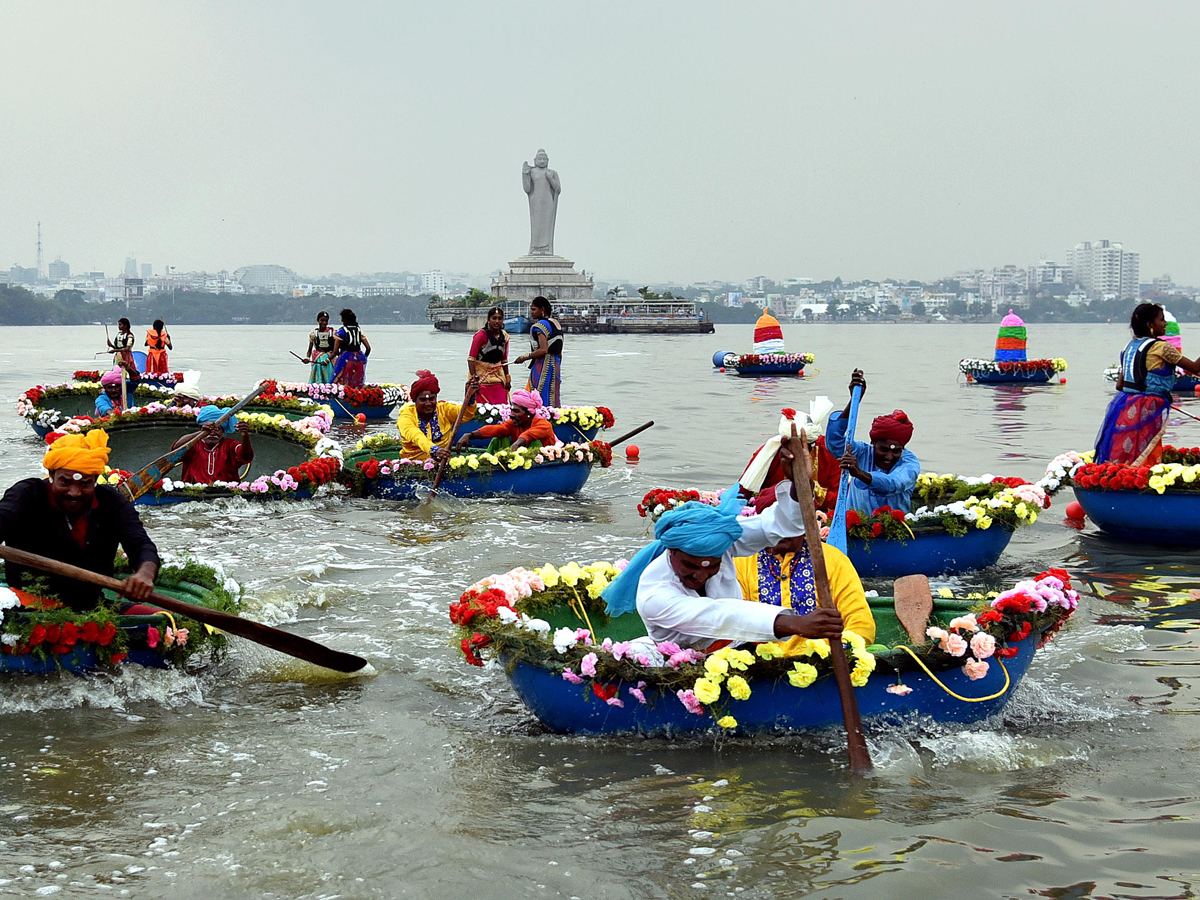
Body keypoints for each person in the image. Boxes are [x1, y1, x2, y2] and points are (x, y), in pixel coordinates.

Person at [601, 434, 845, 651]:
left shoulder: (721, 542)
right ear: (672, 552)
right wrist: (798, 623)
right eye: (691, 565)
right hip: (677, 668)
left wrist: (797, 484)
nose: (701, 575)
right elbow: (719, 616)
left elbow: (777, 527)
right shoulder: (655, 592)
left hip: (737, 652)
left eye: (712, 565)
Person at [0, 430, 159, 610]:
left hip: (91, 607)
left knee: (166, 622)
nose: (74, 493)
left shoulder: (111, 501)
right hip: (28, 607)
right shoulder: (26, 494)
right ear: (51, 475)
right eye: (65, 482)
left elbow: (141, 545)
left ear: (96, 480)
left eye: (84, 484)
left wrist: (145, 574)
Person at [1096, 302, 1200, 465]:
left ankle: (1122, 478)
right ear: (1150, 325)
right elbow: (1195, 368)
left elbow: (1120, 385)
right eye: (1161, 320)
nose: (1165, 324)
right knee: (1148, 451)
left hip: (1124, 405)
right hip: (1149, 406)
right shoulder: (1163, 347)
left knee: (1129, 451)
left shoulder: (1128, 347)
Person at [734, 535, 875, 654]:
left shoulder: (831, 559)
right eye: (773, 523)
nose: (779, 531)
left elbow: (860, 622)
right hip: (761, 669)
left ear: (802, 524)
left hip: (825, 664)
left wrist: (840, 650)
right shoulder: (742, 561)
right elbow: (736, 622)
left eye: (787, 522)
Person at [825, 369, 920, 514]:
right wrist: (854, 401)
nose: (889, 456)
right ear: (873, 443)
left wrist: (859, 473)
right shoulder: (862, 452)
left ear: (903, 448)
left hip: (894, 530)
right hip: (855, 528)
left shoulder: (910, 463)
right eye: (884, 449)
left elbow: (892, 483)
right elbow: (834, 441)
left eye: (896, 451)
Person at [740, 401, 840, 514]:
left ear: (813, 444)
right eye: (791, 446)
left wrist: (811, 487)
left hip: (816, 517)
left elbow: (839, 500)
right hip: (773, 517)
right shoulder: (768, 453)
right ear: (783, 443)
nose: (797, 452)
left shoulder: (829, 451)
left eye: (803, 447)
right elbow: (742, 493)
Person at [397, 370, 480, 462]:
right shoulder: (406, 416)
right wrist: (434, 450)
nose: (428, 404)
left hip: (443, 462)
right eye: (422, 400)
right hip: (413, 464)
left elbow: (465, 415)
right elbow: (416, 436)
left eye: (432, 399)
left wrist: (469, 398)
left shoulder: (444, 410)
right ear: (415, 401)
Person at [453, 389, 559, 453]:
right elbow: (496, 429)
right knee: (498, 438)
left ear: (529, 413)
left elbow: (529, 435)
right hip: (519, 459)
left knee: (535, 442)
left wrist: (517, 444)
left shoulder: (544, 425)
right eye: (512, 410)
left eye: (516, 411)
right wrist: (470, 435)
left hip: (542, 459)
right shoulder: (514, 423)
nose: (512, 415)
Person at [171, 406, 254, 484]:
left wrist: (245, 436)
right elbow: (175, 450)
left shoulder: (230, 444)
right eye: (209, 430)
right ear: (201, 428)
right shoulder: (193, 444)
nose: (213, 433)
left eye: (218, 429)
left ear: (223, 431)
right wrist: (201, 433)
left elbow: (245, 456)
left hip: (225, 495)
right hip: (192, 493)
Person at [514, 296, 563, 407]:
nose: (531, 312)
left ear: (542, 310)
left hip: (542, 364)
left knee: (538, 392)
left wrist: (524, 357)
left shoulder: (539, 326)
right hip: (555, 363)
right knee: (553, 392)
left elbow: (543, 349)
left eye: (534, 309)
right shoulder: (556, 323)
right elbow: (559, 351)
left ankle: (539, 416)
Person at [467, 306, 511, 405]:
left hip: (497, 375)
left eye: (500, 318)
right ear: (488, 320)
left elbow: (504, 360)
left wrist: (507, 377)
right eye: (494, 318)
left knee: (502, 404)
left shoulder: (504, 336)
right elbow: (471, 359)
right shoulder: (481, 335)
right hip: (481, 376)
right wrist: (474, 379)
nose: (497, 321)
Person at [331, 309, 371, 388]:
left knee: (340, 379)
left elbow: (335, 351)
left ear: (343, 319)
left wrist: (326, 360)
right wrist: (363, 359)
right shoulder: (359, 330)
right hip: (359, 358)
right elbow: (368, 348)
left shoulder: (342, 331)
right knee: (356, 380)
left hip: (346, 358)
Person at [305, 311, 337, 384]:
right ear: (318, 321)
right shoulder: (313, 334)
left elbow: (336, 350)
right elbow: (309, 350)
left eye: (326, 321)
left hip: (330, 359)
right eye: (322, 320)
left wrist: (327, 360)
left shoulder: (333, 333)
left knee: (329, 378)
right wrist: (307, 358)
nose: (324, 323)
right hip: (318, 360)